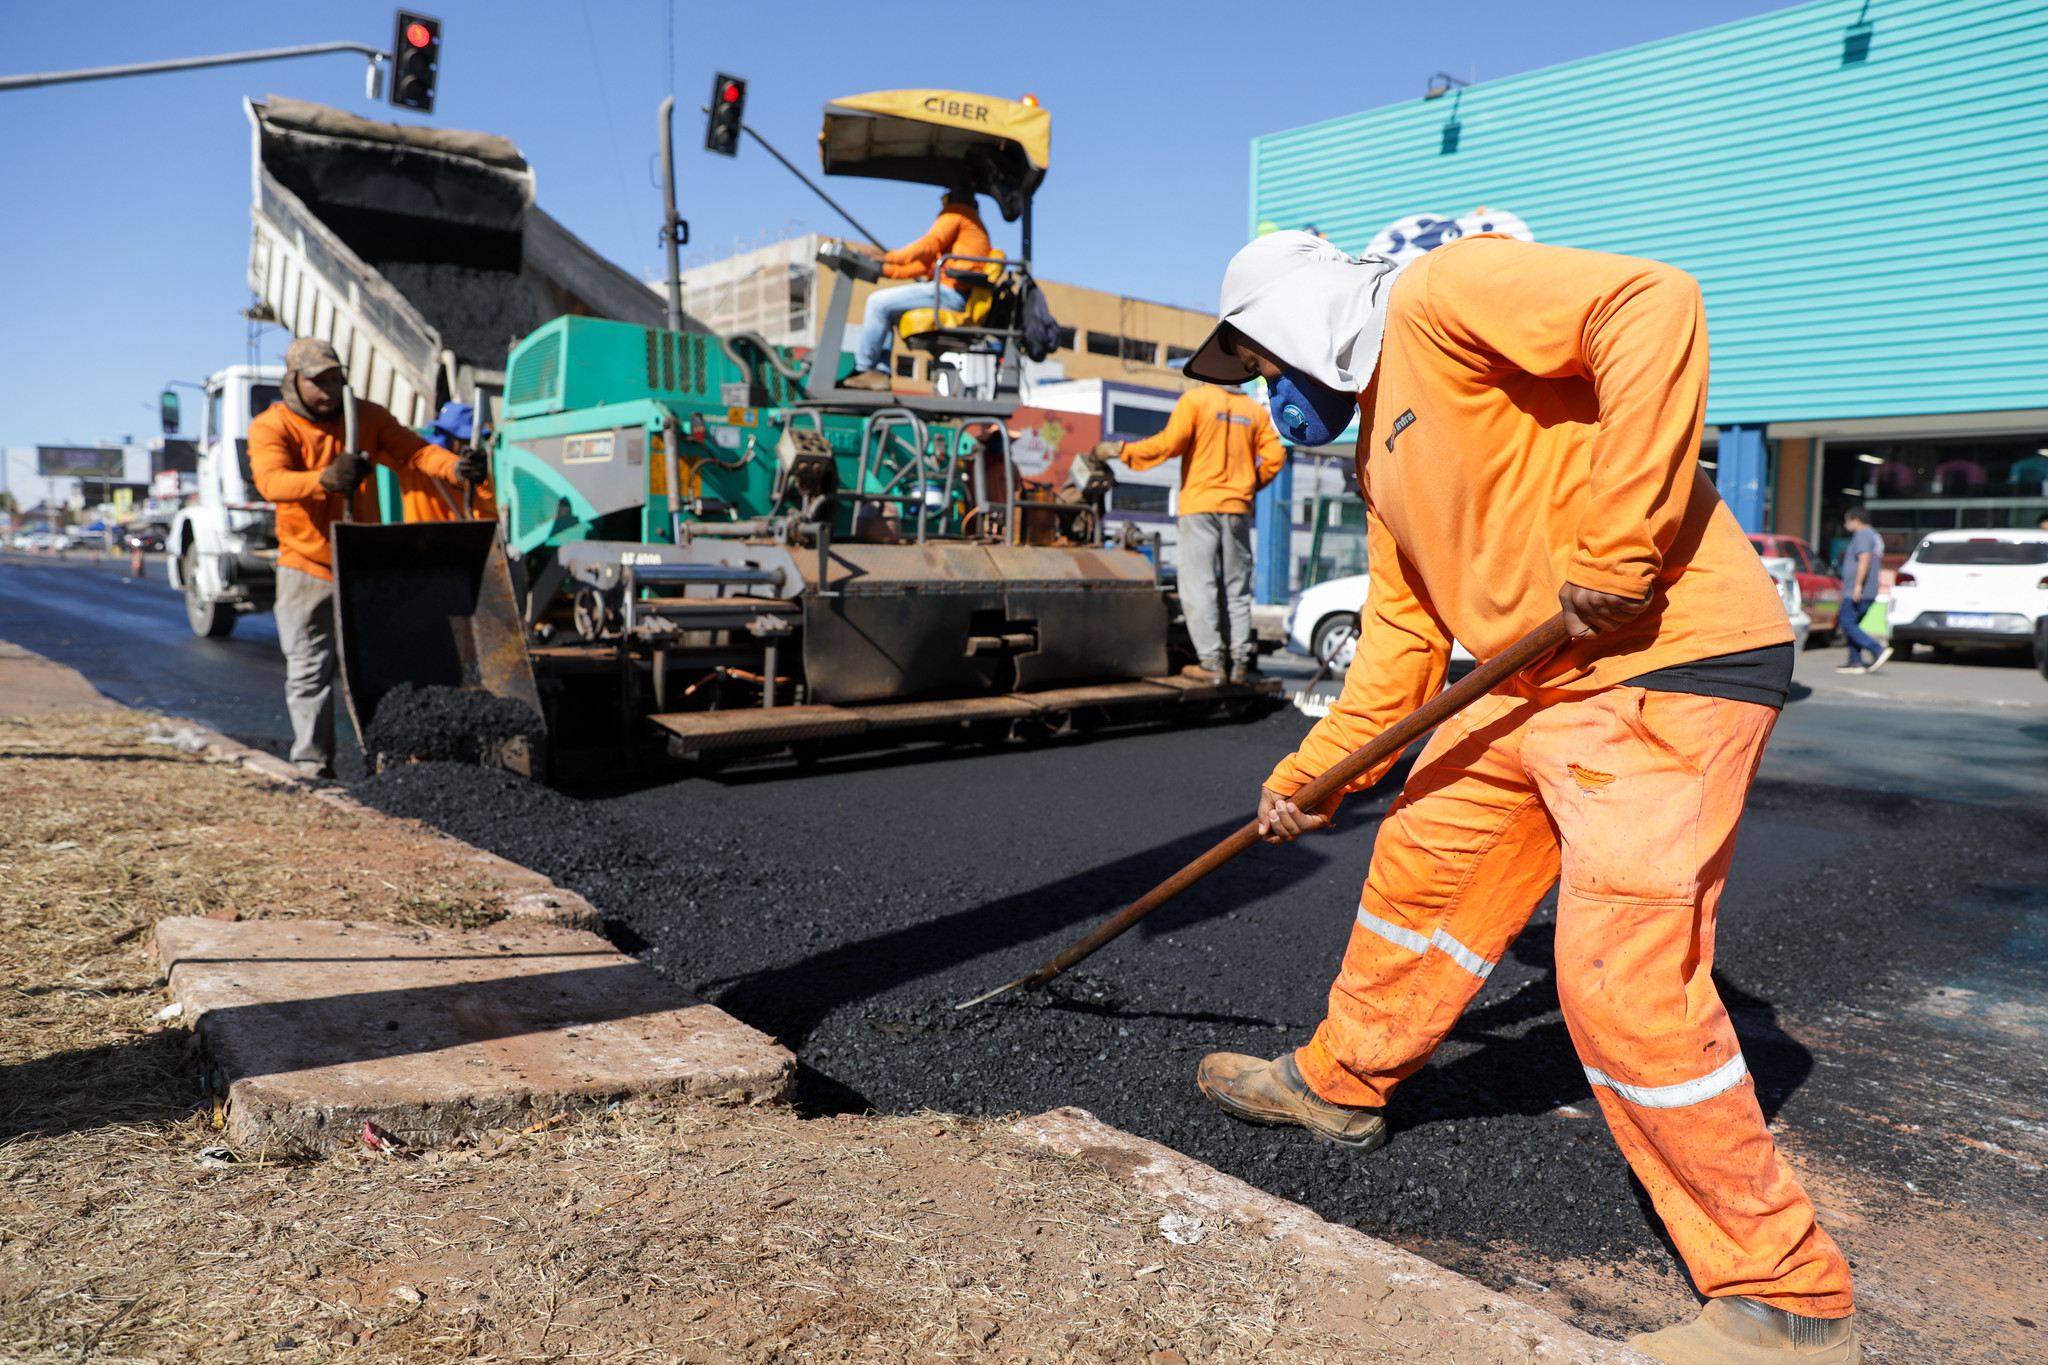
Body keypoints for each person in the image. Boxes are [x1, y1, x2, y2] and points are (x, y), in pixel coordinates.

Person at [1179, 232, 1857, 1363]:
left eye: (1257, 364)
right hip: (1533, 672)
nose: (1267, 394)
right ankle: (1339, 1082)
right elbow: (1396, 655)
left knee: (1617, 979)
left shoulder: (1443, 293)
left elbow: (1651, 301)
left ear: (1290, 318)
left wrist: (1618, 541)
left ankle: (1782, 1298)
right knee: (1425, 855)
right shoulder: (1378, 462)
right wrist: (1304, 779)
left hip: (1664, 657)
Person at [246, 339, 485, 778]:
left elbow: (414, 452)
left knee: (381, 666)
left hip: (361, 562)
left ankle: (390, 765)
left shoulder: (367, 417)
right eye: (319, 381)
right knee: (308, 670)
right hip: (306, 564)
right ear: (294, 382)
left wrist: (455, 468)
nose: (330, 389)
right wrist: (326, 478)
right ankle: (313, 767)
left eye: (336, 379)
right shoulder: (272, 426)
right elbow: (271, 482)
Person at [1092, 386, 1285, 682]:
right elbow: (1275, 456)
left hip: (1199, 506)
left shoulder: (1196, 400)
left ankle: (1211, 663)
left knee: (1199, 584)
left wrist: (1123, 450)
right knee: (1237, 589)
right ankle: (1241, 662)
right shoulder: (1254, 412)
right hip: (1237, 509)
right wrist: (1245, 489)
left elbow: (1168, 445)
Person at [840, 188, 992, 391]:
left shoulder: (958, 212)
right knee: (888, 312)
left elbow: (930, 244)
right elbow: (924, 265)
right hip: (951, 292)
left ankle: (864, 368)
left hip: (951, 294)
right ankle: (879, 374)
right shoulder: (965, 231)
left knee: (877, 303)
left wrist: (890, 257)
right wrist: (885, 269)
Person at [1835, 508, 1889, 675]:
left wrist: (1857, 585)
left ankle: (1877, 649)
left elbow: (1864, 559)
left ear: (1855, 520)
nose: (1845, 525)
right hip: (1868, 589)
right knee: (1852, 625)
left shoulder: (1862, 534)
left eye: (1847, 521)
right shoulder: (1873, 535)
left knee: (1847, 623)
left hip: (1858, 590)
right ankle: (1855, 662)